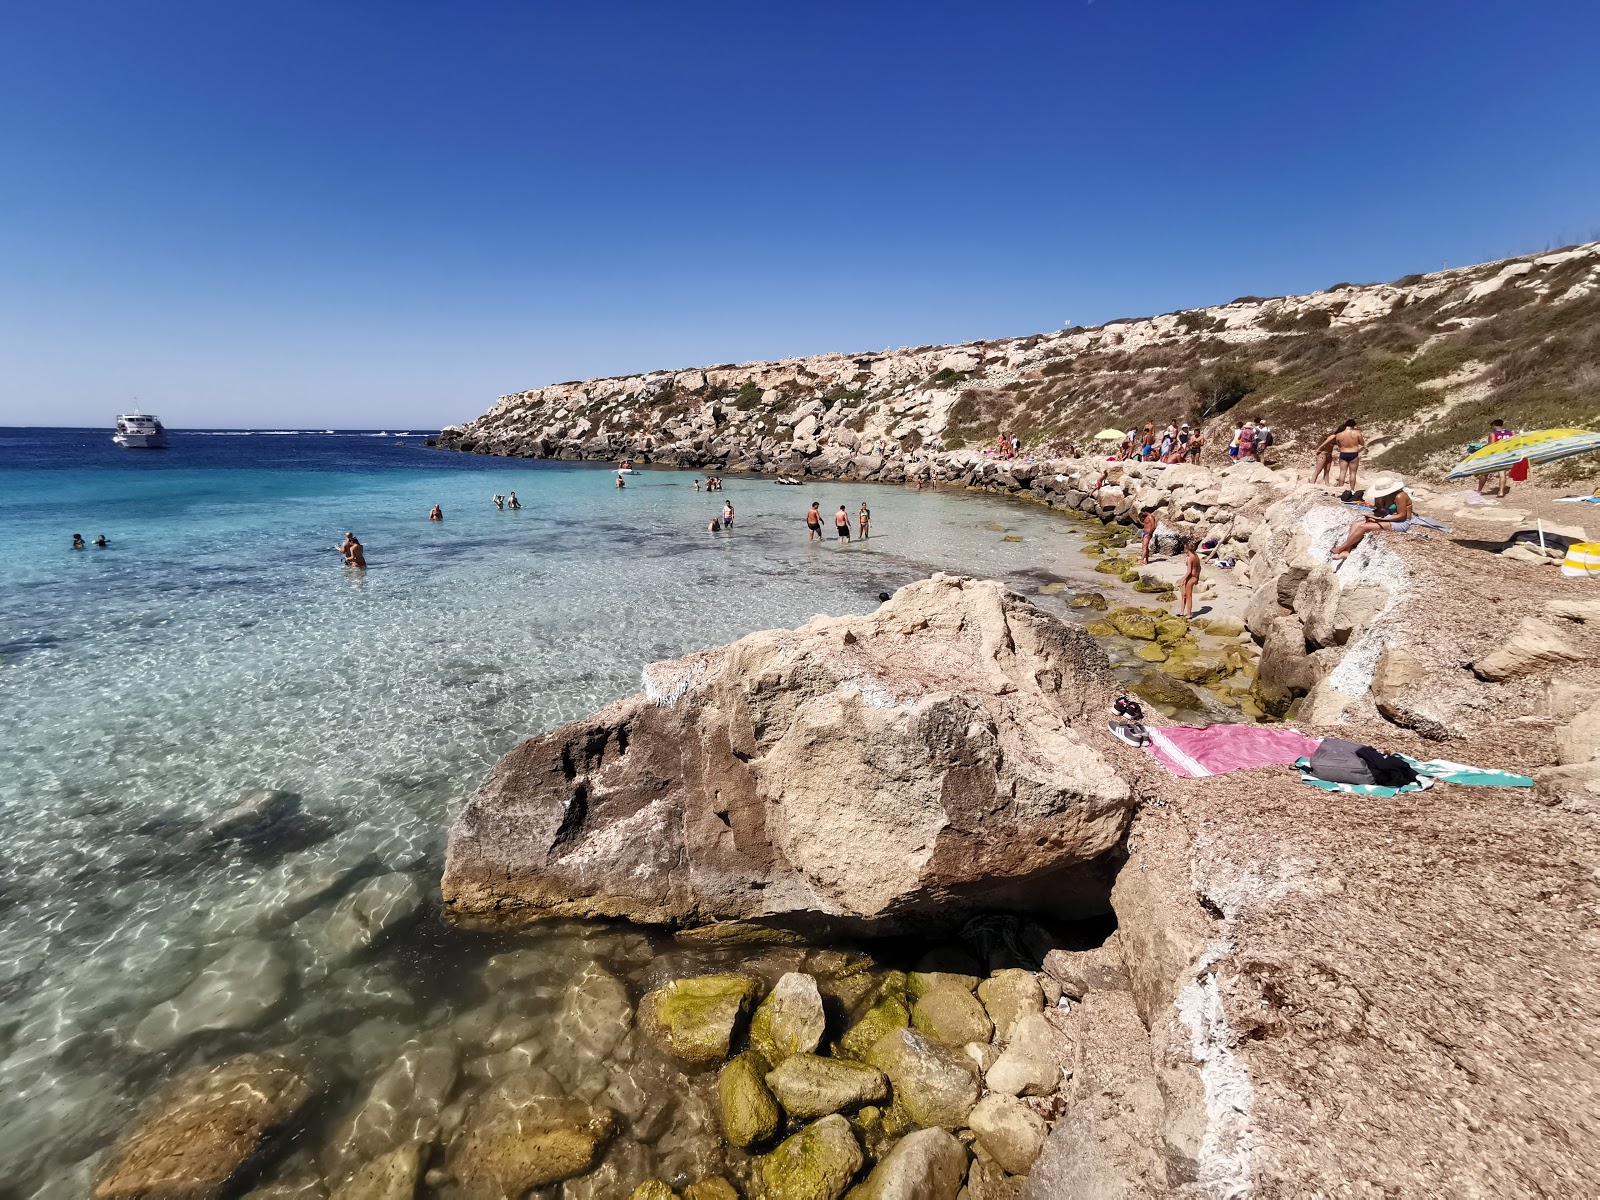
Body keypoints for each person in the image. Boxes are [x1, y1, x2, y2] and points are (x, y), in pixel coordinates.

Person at [1331, 475, 1412, 560]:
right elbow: (1380, 510)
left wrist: (1381, 519)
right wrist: (1374, 515)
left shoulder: (1400, 496)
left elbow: (1402, 515)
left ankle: (1341, 548)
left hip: (1400, 522)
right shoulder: (1385, 497)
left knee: (1363, 527)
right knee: (1356, 524)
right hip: (1388, 518)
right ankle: (1346, 551)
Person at [1477, 419, 1516, 497]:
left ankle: (1479, 490)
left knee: (1484, 473)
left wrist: (1482, 447)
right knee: (1502, 473)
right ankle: (1501, 491)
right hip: (1504, 455)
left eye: (1492, 426)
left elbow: (1492, 445)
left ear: (1494, 425)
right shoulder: (1509, 433)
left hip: (1494, 455)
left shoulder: (1493, 433)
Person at [1332, 420, 1364, 489]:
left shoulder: (1339, 435)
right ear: (1353, 426)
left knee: (1342, 472)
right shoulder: (1357, 433)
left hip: (1343, 453)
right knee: (1352, 473)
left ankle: (1340, 488)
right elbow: (1362, 443)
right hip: (1354, 453)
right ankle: (1352, 489)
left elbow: (1338, 445)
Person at [1178, 537, 1201, 619]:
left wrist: (1182, 579)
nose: (1184, 550)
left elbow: (1189, 571)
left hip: (1190, 577)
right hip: (1194, 577)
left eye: (1185, 548)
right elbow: (1199, 568)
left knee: (1188, 596)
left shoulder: (1190, 558)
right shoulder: (1196, 556)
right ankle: (1181, 612)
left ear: (1187, 549)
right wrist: (1197, 578)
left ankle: (1189, 614)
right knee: (1183, 594)